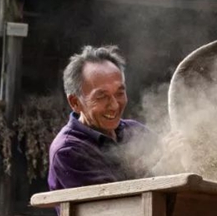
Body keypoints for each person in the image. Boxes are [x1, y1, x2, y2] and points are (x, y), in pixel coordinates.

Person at [48, 44, 153, 192]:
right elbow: (115, 202)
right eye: (102, 96)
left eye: (119, 93)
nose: (114, 105)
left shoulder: (135, 131)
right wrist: (161, 165)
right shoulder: (69, 150)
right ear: (75, 102)